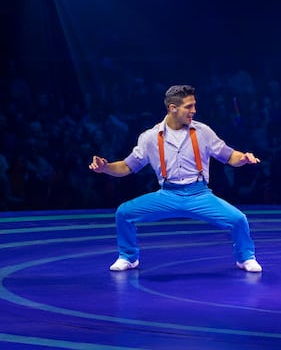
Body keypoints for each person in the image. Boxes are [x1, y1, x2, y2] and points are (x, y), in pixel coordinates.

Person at [89, 84, 262, 273]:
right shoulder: (150, 137)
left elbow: (229, 156)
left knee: (238, 219)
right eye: (189, 107)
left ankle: (245, 258)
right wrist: (105, 168)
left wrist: (243, 158)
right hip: (168, 194)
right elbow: (126, 166)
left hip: (199, 194)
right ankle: (128, 257)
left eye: (194, 105)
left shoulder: (203, 132)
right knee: (124, 213)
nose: (194, 111)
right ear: (173, 108)